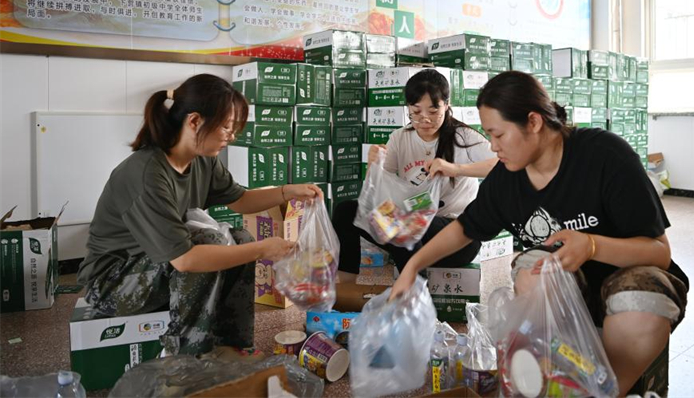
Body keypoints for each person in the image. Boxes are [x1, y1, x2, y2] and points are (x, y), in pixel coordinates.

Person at [391, 71, 688, 395]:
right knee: (532, 272)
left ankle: (608, 391)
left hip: (627, 280)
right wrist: (413, 267)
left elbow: (659, 252)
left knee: (640, 303)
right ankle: (562, 379)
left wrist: (592, 245)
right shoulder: (507, 177)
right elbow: (464, 228)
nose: (492, 146)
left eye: (498, 135)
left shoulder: (604, 155)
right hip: (568, 289)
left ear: (533, 122)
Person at [76, 74, 323, 356]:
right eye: (227, 127)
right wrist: (263, 249)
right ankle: (190, 357)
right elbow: (185, 260)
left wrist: (287, 192)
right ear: (194, 121)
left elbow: (240, 200)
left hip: (155, 263)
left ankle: (233, 347)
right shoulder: (146, 175)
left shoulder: (203, 161)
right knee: (211, 244)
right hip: (113, 283)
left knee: (241, 238)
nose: (231, 136)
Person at [333, 68, 498, 280]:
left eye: (433, 111)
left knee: (403, 220)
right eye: (416, 112)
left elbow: (503, 164)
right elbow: (376, 195)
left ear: (447, 105)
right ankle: (346, 287)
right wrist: (373, 166)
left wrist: (455, 169)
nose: (425, 119)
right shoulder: (400, 137)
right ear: (408, 108)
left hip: (458, 237)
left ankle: (414, 291)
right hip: (413, 228)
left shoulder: (462, 136)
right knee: (346, 211)